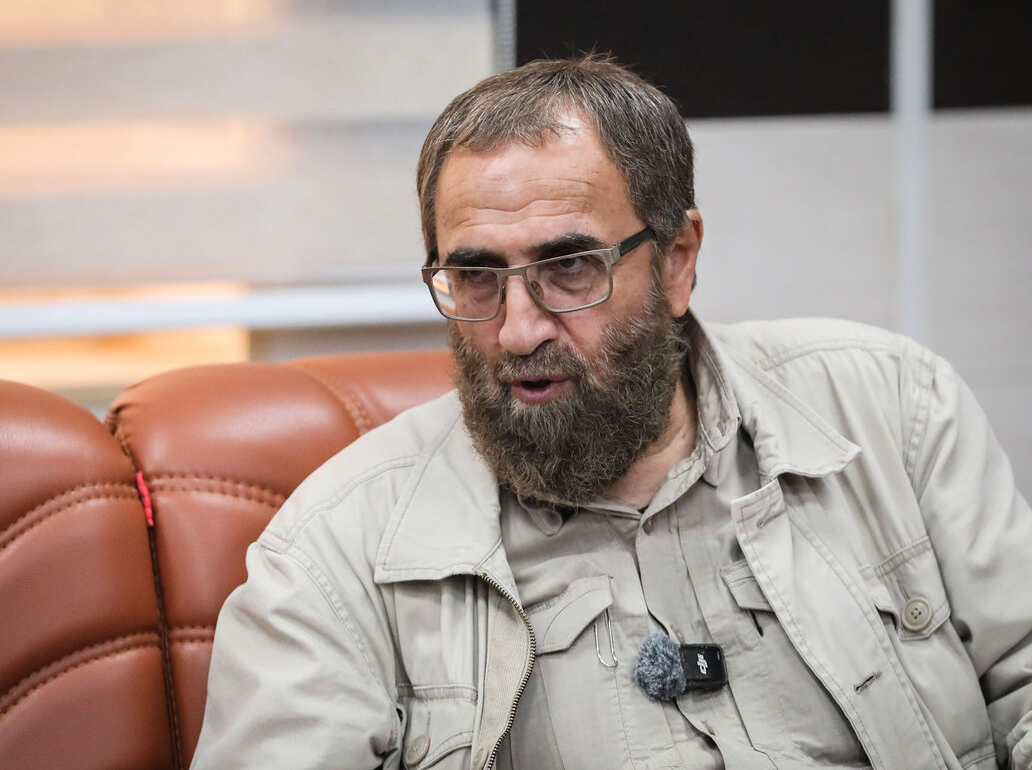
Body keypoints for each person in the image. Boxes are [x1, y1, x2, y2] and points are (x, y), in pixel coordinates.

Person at [190, 57, 1032, 769]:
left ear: (676, 261)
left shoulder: (892, 407)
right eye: (476, 277)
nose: (518, 330)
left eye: (569, 267)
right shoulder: (335, 555)